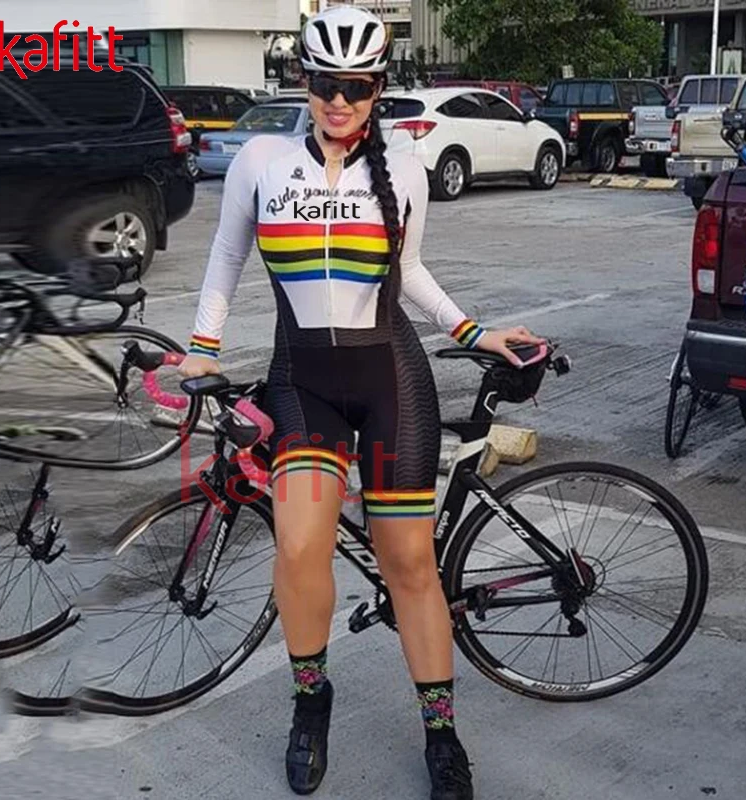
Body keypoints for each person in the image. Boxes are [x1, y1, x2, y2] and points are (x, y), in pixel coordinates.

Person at [179, 6, 542, 798]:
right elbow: (225, 255)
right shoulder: (262, 161)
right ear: (302, 80)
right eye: (324, 84)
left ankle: (441, 733)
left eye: (356, 86)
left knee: (409, 562)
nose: (338, 101)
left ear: (378, 87)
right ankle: (312, 703)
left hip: (390, 382)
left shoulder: (405, 167)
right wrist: (203, 346)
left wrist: (471, 329)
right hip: (303, 381)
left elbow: (409, 272)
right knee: (298, 549)